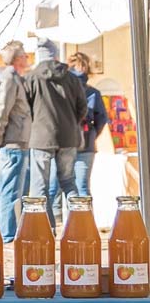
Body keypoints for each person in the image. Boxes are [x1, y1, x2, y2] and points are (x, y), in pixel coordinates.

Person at [24, 40, 87, 230]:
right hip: (68, 137)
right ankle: (79, 226)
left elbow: (26, 108)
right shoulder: (72, 78)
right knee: (68, 181)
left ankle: (46, 229)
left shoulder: (32, 77)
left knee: (39, 186)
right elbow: (82, 108)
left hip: (41, 137)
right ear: (56, 55)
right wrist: (71, 122)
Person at [0, 40, 33, 243]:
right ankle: (7, 234)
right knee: (10, 190)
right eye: (25, 55)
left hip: (18, 141)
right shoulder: (9, 79)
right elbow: (0, 113)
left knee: (15, 190)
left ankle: (10, 232)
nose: (28, 58)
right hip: (12, 142)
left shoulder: (15, 78)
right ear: (17, 59)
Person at [48, 53, 108, 205]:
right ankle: (83, 226)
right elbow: (101, 120)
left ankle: (54, 226)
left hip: (62, 144)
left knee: (54, 189)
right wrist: (92, 134)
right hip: (86, 144)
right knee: (82, 189)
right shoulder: (93, 93)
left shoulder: (60, 89)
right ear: (87, 69)